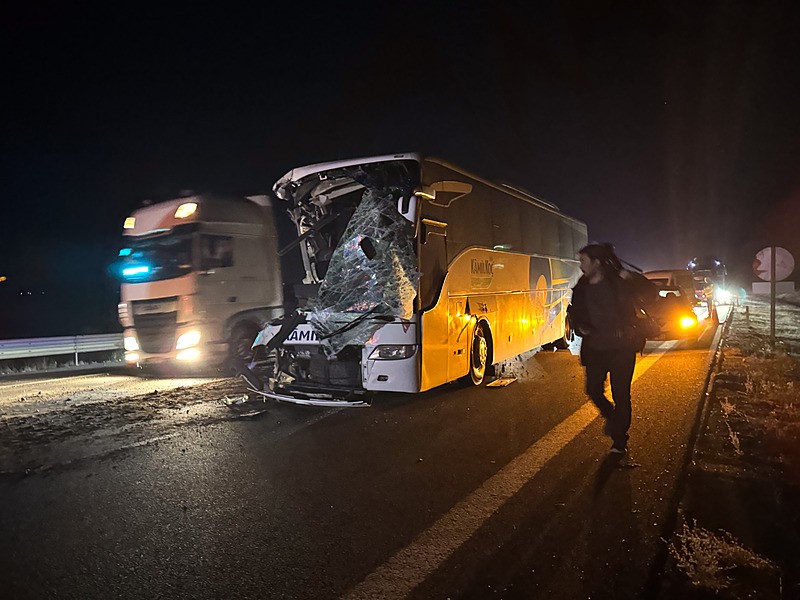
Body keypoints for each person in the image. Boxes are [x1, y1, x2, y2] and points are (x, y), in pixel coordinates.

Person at [568, 243, 641, 454]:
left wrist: (626, 329)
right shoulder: (581, 287)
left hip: (621, 349)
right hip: (596, 349)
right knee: (593, 390)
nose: (580, 266)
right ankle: (613, 418)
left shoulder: (617, 283)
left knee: (621, 395)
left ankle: (619, 441)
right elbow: (576, 314)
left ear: (596, 262)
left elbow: (637, 302)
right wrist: (581, 327)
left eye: (583, 261)